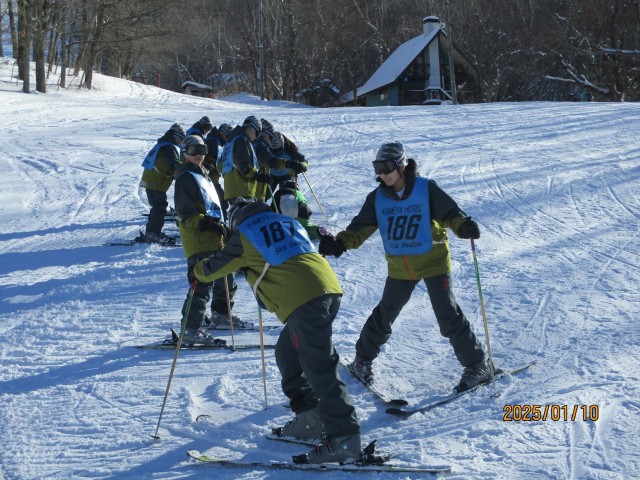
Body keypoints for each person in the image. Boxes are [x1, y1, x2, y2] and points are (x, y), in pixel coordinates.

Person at [191, 200, 362, 464]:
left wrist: (196, 269)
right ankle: (310, 418)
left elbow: (212, 270)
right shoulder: (286, 221)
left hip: (304, 299)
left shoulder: (245, 235)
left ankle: (345, 439)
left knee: (319, 366)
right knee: (288, 353)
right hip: (327, 289)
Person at [318, 141, 488, 392]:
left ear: (402, 165)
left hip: (433, 262)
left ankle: (476, 366)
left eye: (388, 167)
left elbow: (450, 212)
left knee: (447, 314)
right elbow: (360, 228)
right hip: (400, 267)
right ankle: (362, 360)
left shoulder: (425, 189)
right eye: (378, 168)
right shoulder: (377, 198)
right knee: (385, 314)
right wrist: (339, 243)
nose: (383, 174)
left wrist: (462, 226)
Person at [174, 135, 245, 338]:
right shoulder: (185, 177)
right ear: (186, 153)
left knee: (226, 277)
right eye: (193, 150)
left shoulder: (205, 174)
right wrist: (205, 222)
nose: (198, 155)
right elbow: (185, 213)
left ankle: (221, 314)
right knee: (202, 283)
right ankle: (190, 328)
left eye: (202, 150)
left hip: (217, 238)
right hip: (199, 240)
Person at [139, 123, 185, 244]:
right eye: (181, 138)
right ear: (175, 136)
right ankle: (153, 233)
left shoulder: (165, 144)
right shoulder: (168, 147)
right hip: (155, 182)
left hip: (154, 181)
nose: (181, 141)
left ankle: (151, 231)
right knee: (159, 207)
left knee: (158, 206)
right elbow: (173, 165)